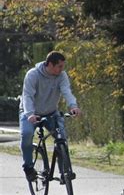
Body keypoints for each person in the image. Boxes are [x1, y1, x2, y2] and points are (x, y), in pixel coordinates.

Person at [19, 51, 81, 181]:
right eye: (59, 66)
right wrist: (30, 114)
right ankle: (28, 168)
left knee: (61, 137)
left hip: (51, 112)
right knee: (27, 135)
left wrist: (73, 106)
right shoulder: (33, 75)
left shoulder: (61, 76)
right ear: (50, 65)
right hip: (30, 113)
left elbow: (66, 91)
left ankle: (65, 171)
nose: (62, 69)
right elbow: (27, 96)